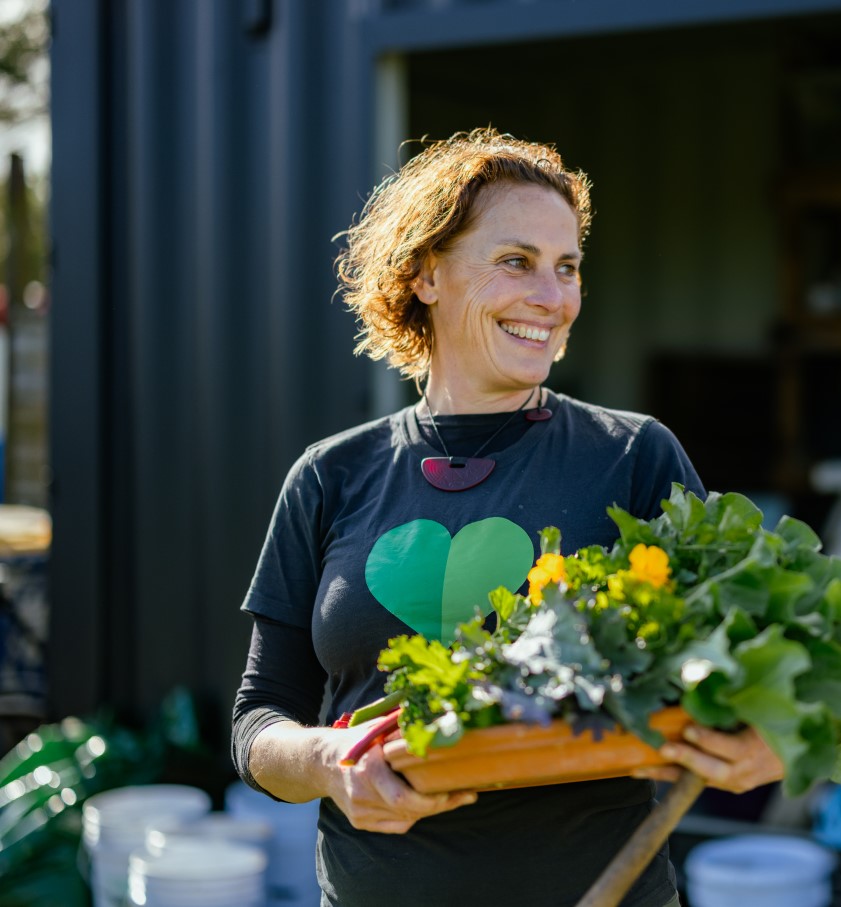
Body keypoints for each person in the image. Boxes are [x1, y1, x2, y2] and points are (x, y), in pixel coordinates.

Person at [231, 128, 782, 907]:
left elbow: (754, 658)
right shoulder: (331, 474)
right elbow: (258, 718)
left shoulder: (633, 457)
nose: (553, 300)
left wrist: (766, 736)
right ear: (425, 274)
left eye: (568, 268)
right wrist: (330, 761)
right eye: (516, 261)